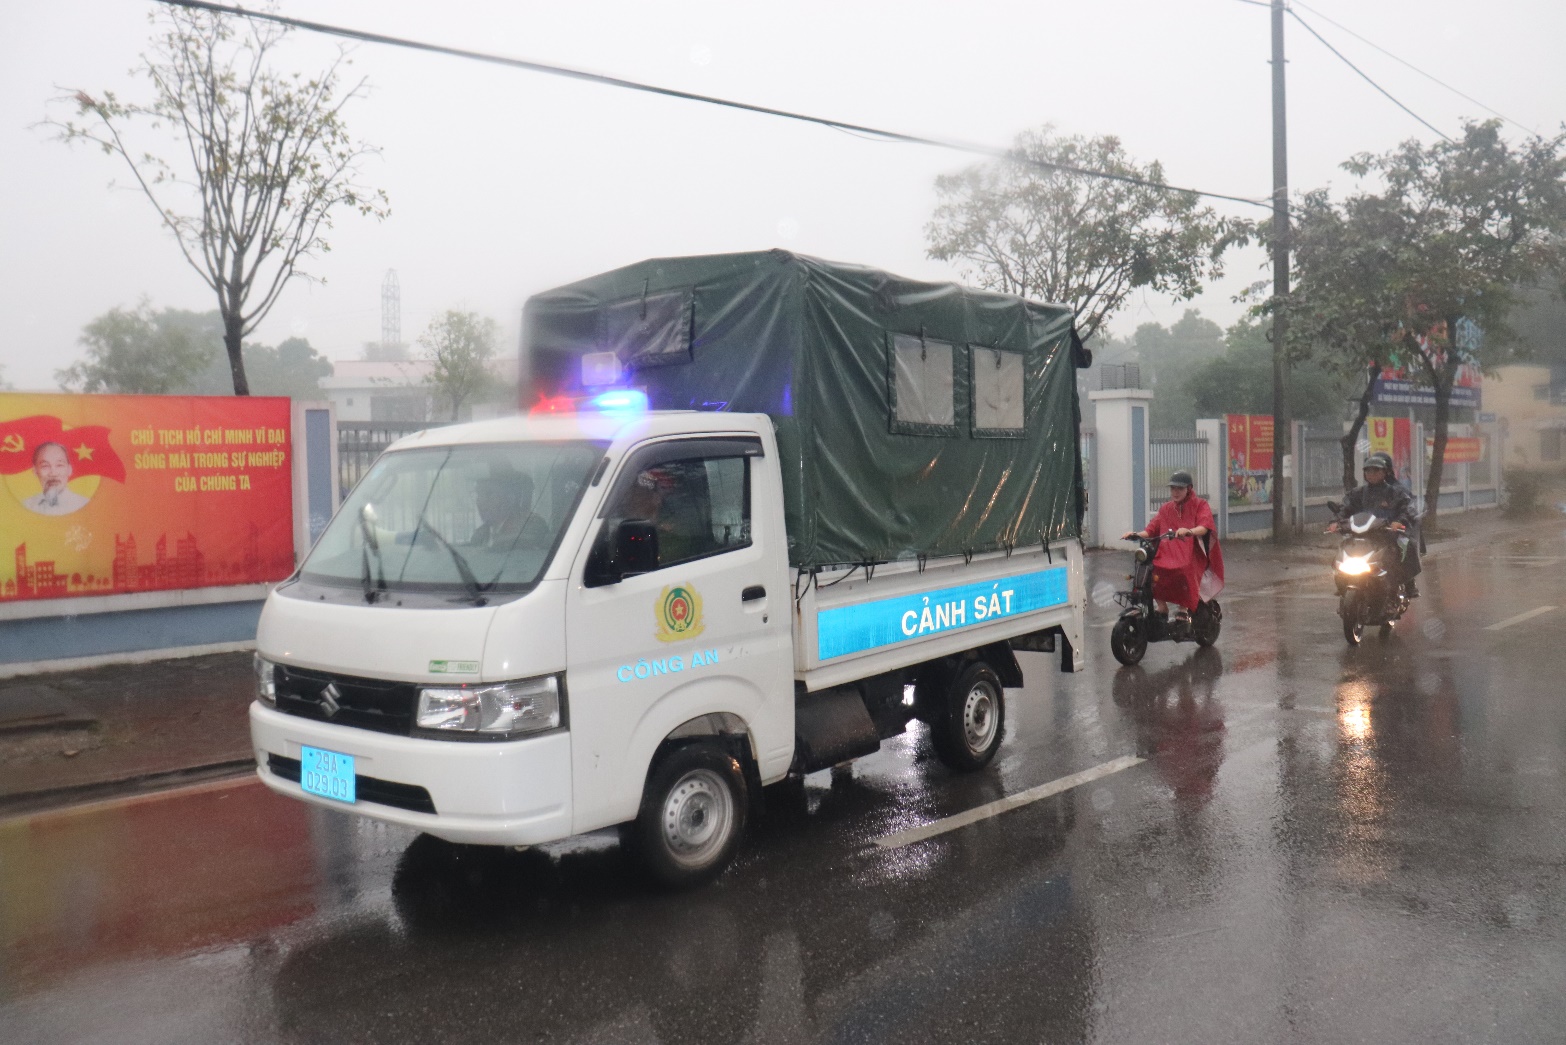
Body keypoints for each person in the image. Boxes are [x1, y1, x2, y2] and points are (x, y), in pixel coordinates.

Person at [1122, 470, 1225, 624]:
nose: (1175, 492)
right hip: (1166, 552)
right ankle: (1162, 607)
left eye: (1179, 489)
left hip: (1191, 552)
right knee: (1150, 569)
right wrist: (1135, 534)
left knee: (1183, 570)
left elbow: (1204, 527)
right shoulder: (1166, 508)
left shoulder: (1200, 505)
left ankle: (1184, 609)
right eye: (1173, 489)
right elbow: (1151, 530)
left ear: (1189, 489)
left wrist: (1189, 531)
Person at [1329, 451, 1420, 597]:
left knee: (1405, 546)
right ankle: (1342, 582)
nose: (1372, 474)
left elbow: (1408, 508)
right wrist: (1335, 521)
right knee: (1343, 548)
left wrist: (1399, 521)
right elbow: (1345, 508)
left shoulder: (1395, 493)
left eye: (1376, 470)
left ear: (1385, 472)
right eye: (1368, 471)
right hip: (1361, 533)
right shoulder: (1357, 493)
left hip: (1386, 534)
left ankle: (1409, 584)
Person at [469, 463, 548, 549]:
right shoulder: (480, 534)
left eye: (489, 494)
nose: (480, 501)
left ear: (510, 498)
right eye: (478, 494)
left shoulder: (530, 526)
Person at [22, 441, 90, 516]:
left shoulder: (85, 505)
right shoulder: (26, 506)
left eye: (59, 465)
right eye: (45, 466)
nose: (53, 473)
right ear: (35, 471)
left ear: (69, 470)